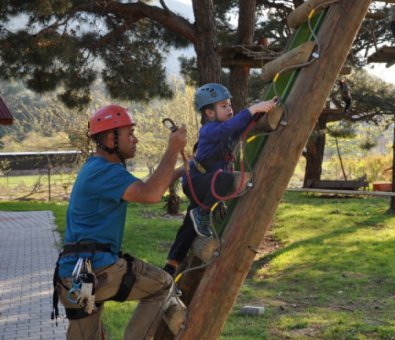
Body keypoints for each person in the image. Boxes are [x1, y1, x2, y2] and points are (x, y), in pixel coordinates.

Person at [52, 104, 188, 339]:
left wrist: (182, 170)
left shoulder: (98, 168)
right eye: (129, 133)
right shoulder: (105, 172)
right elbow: (150, 193)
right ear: (109, 137)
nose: (135, 139)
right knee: (163, 285)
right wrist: (174, 148)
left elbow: (144, 187)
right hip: (99, 268)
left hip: (72, 276)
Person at [162, 83, 276, 277]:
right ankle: (203, 212)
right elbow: (229, 127)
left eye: (230, 104)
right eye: (224, 106)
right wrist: (252, 109)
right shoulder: (209, 130)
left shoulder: (226, 128)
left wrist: (263, 109)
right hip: (197, 180)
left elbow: (241, 125)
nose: (230, 109)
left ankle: (171, 264)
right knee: (225, 180)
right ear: (209, 113)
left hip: (205, 181)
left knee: (189, 225)